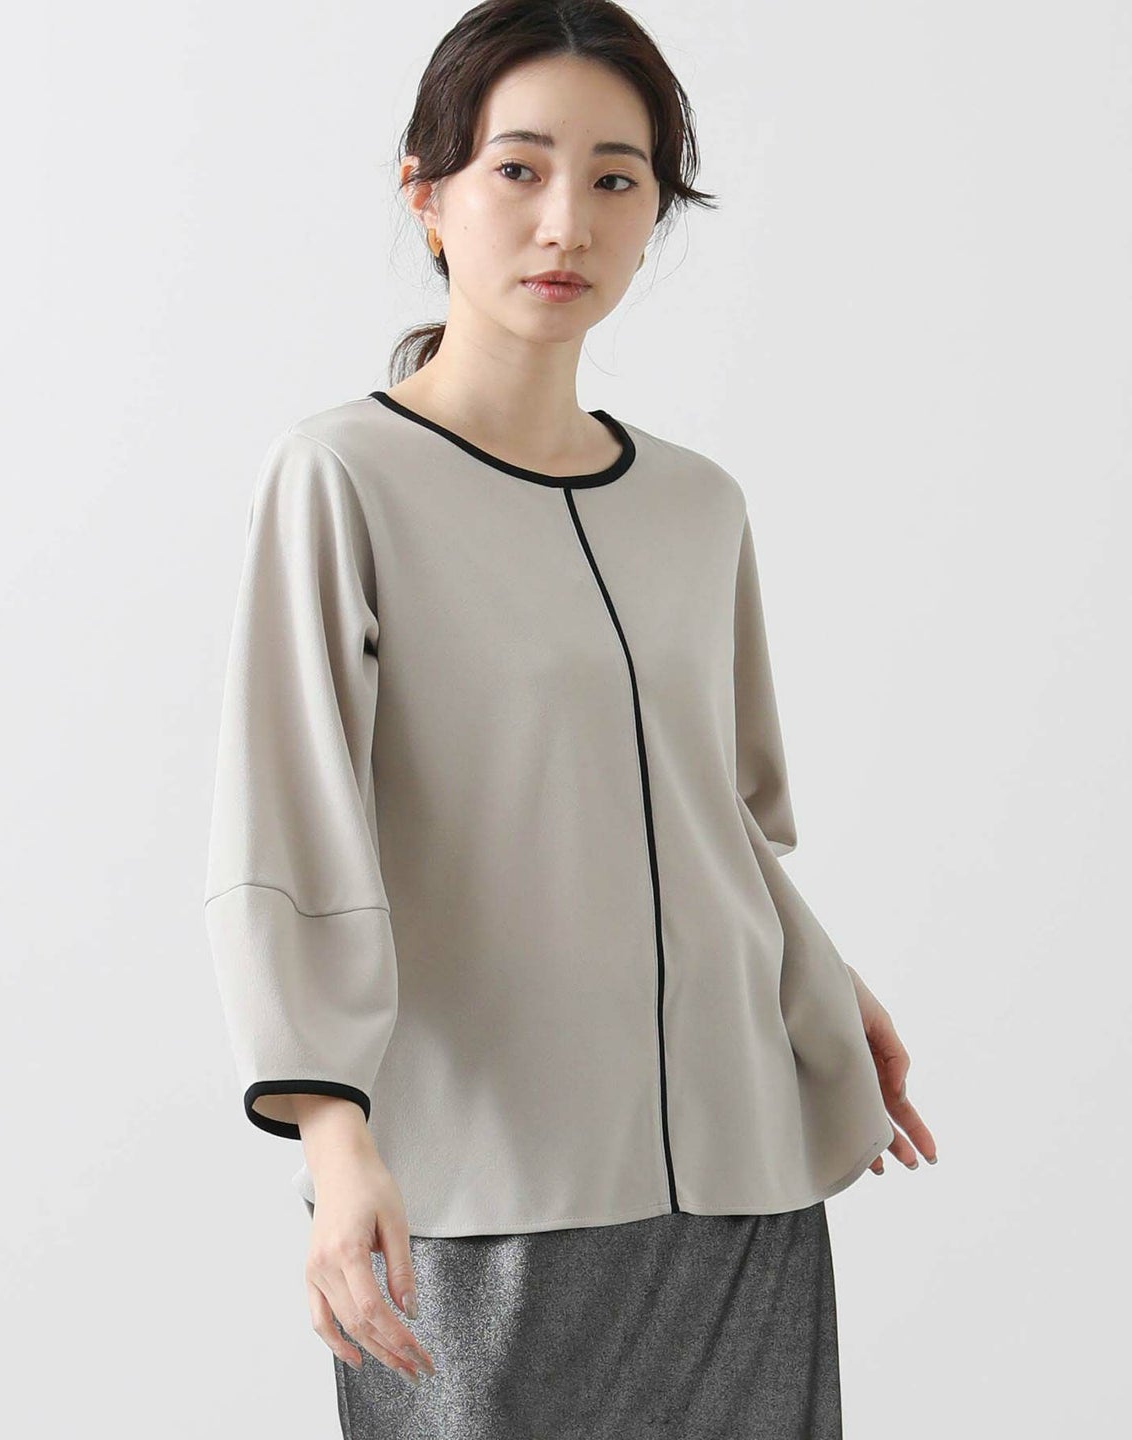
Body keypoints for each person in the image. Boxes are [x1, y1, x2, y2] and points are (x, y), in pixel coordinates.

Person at [203, 3, 938, 1435]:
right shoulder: (342, 479)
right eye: (518, 169)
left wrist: (819, 978)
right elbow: (286, 831)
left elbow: (710, 814)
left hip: (742, 1181)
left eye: (616, 178)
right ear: (427, 193)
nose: (567, 222)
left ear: (658, 210)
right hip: (488, 1192)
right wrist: (334, 1140)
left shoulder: (698, 506)